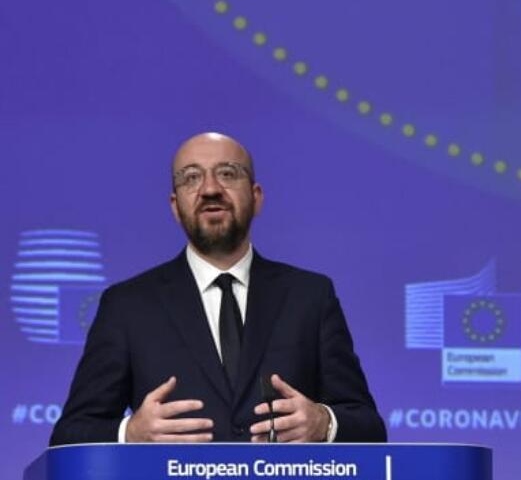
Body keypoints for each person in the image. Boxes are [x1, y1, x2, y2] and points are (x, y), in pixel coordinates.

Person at [50, 132, 386, 444]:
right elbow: (70, 433)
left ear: (256, 198)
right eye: (191, 177)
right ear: (174, 206)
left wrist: (323, 422)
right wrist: (130, 432)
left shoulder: (310, 296)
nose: (210, 188)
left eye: (227, 173)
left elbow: (368, 426)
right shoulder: (127, 306)